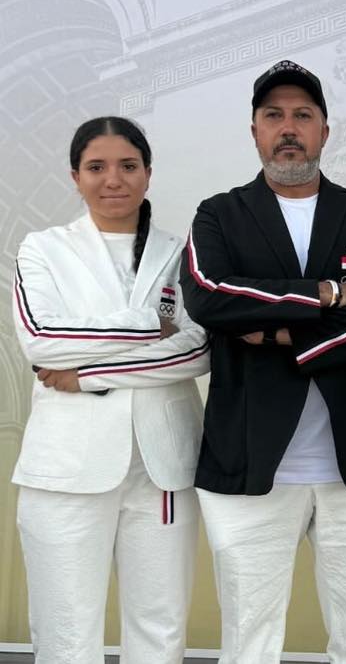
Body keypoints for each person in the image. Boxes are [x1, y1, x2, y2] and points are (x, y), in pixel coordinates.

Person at [180, 58, 346, 664]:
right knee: (249, 640)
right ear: (254, 130)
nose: (289, 128)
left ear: (324, 131)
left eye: (303, 115)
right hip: (249, 459)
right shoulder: (219, 214)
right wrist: (325, 294)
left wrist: (281, 334)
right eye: (274, 115)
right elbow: (210, 298)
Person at [11, 116, 209, 664]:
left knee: (160, 629)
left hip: (162, 467)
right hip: (68, 469)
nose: (113, 179)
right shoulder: (43, 248)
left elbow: (197, 349)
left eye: (128, 165)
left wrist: (90, 374)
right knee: (66, 631)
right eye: (96, 167)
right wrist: (150, 326)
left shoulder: (181, 252)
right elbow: (43, 340)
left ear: (148, 173)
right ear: (75, 176)